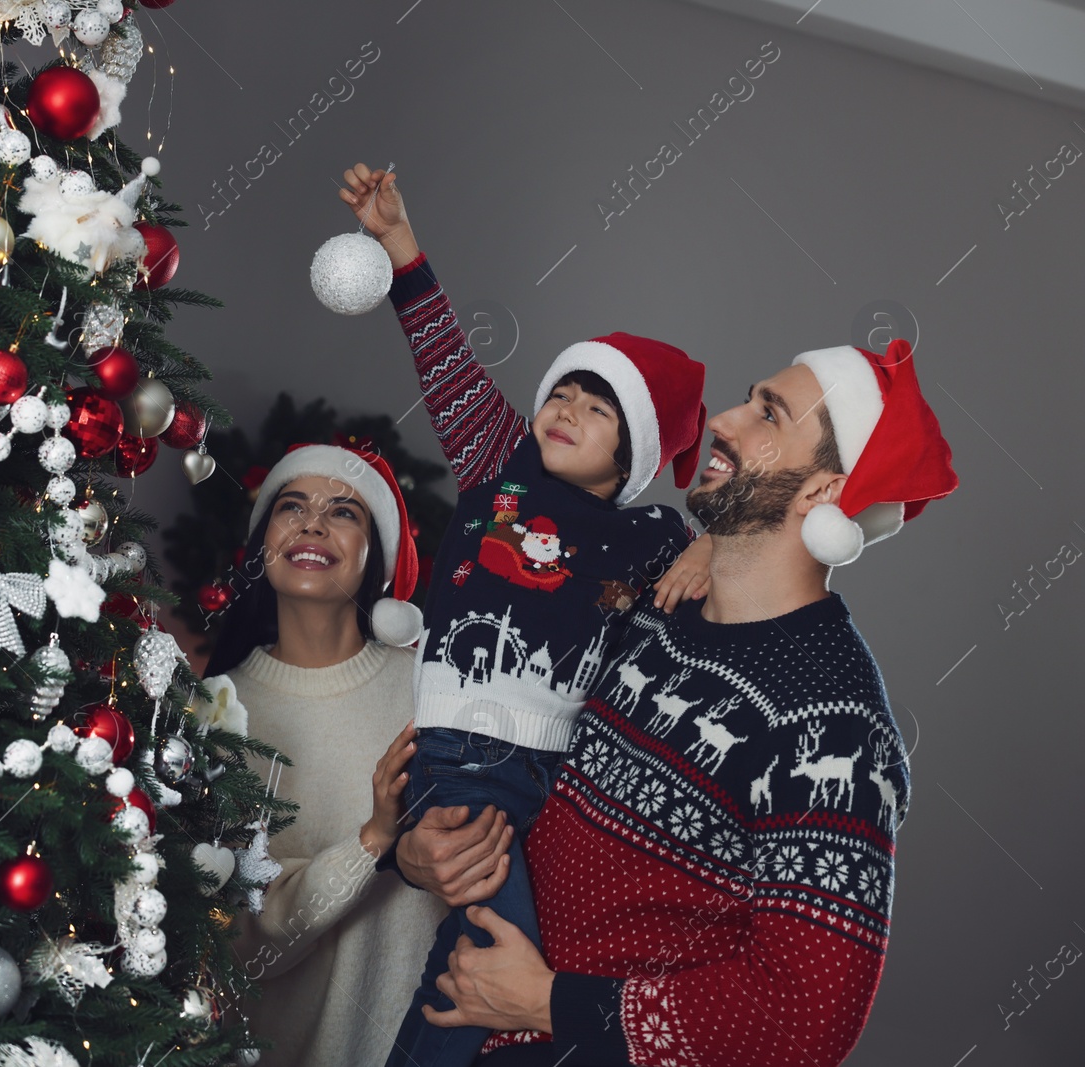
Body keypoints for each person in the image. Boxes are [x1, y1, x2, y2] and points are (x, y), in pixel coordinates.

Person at [404, 338, 958, 1066]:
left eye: (768, 414)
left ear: (824, 490)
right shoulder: (643, 609)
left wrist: (547, 1001)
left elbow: (805, 1014)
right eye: (748, 396)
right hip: (463, 1021)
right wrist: (415, 851)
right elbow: (508, 767)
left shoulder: (838, 727)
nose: (724, 420)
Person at [337, 163, 711, 1067]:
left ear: (636, 455)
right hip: (465, 755)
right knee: (514, 958)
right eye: (562, 393)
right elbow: (447, 363)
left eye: (597, 408)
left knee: (487, 964)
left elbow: (741, 578)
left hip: (561, 776)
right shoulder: (500, 474)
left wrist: (712, 548)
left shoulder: (649, 536)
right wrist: (400, 247)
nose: (567, 410)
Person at [210, 443, 449, 1067]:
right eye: (292, 506)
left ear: (376, 559)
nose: (312, 523)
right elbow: (239, 941)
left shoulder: (434, 682)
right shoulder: (216, 711)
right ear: (263, 545)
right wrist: (374, 841)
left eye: (344, 512)